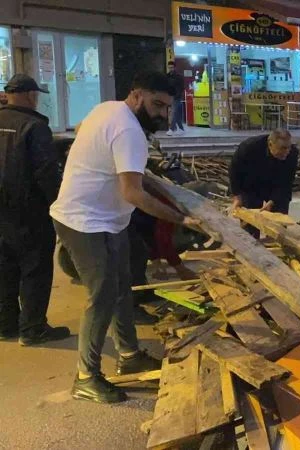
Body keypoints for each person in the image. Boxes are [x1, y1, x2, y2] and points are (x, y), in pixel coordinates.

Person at [50, 71, 201, 404]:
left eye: (167, 107)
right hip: (85, 222)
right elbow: (132, 192)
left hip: (108, 221)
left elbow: (99, 149)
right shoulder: (129, 130)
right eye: (156, 104)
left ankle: (129, 354)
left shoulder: (106, 109)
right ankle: (86, 377)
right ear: (136, 95)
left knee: (122, 289)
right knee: (102, 297)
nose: (161, 113)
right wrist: (181, 218)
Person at [0, 74, 70, 345]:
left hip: (2, 212)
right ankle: (32, 328)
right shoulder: (34, 126)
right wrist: (59, 204)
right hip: (29, 211)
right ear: (30, 95)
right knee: (35, 267)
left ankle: (5, 325)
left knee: (5, 266)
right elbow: (45, 172)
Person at [229, 129, 298, 238]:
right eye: (283, 148)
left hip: (276, 186)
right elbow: (234, 171)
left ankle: (278, 245)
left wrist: (273, 201)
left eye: (289, 147)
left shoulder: (292, 153)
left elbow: (287, 182)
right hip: (251, 185)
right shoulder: (249, 148)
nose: (287, 151)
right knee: (250, 224)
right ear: (271, 144)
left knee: (278, 225)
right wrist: (237, 196)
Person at [166, 61, 185, 136]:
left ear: (175, 67)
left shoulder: (179, 77)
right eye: (169, 67)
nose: (170, 69)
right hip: (169, 97)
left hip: (177, 97)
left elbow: (181, 87)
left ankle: (172, 129)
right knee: (175, 113)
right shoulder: (167, 76)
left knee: (174, 112)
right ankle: (181, 128)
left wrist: (178, 95)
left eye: (172, 67)